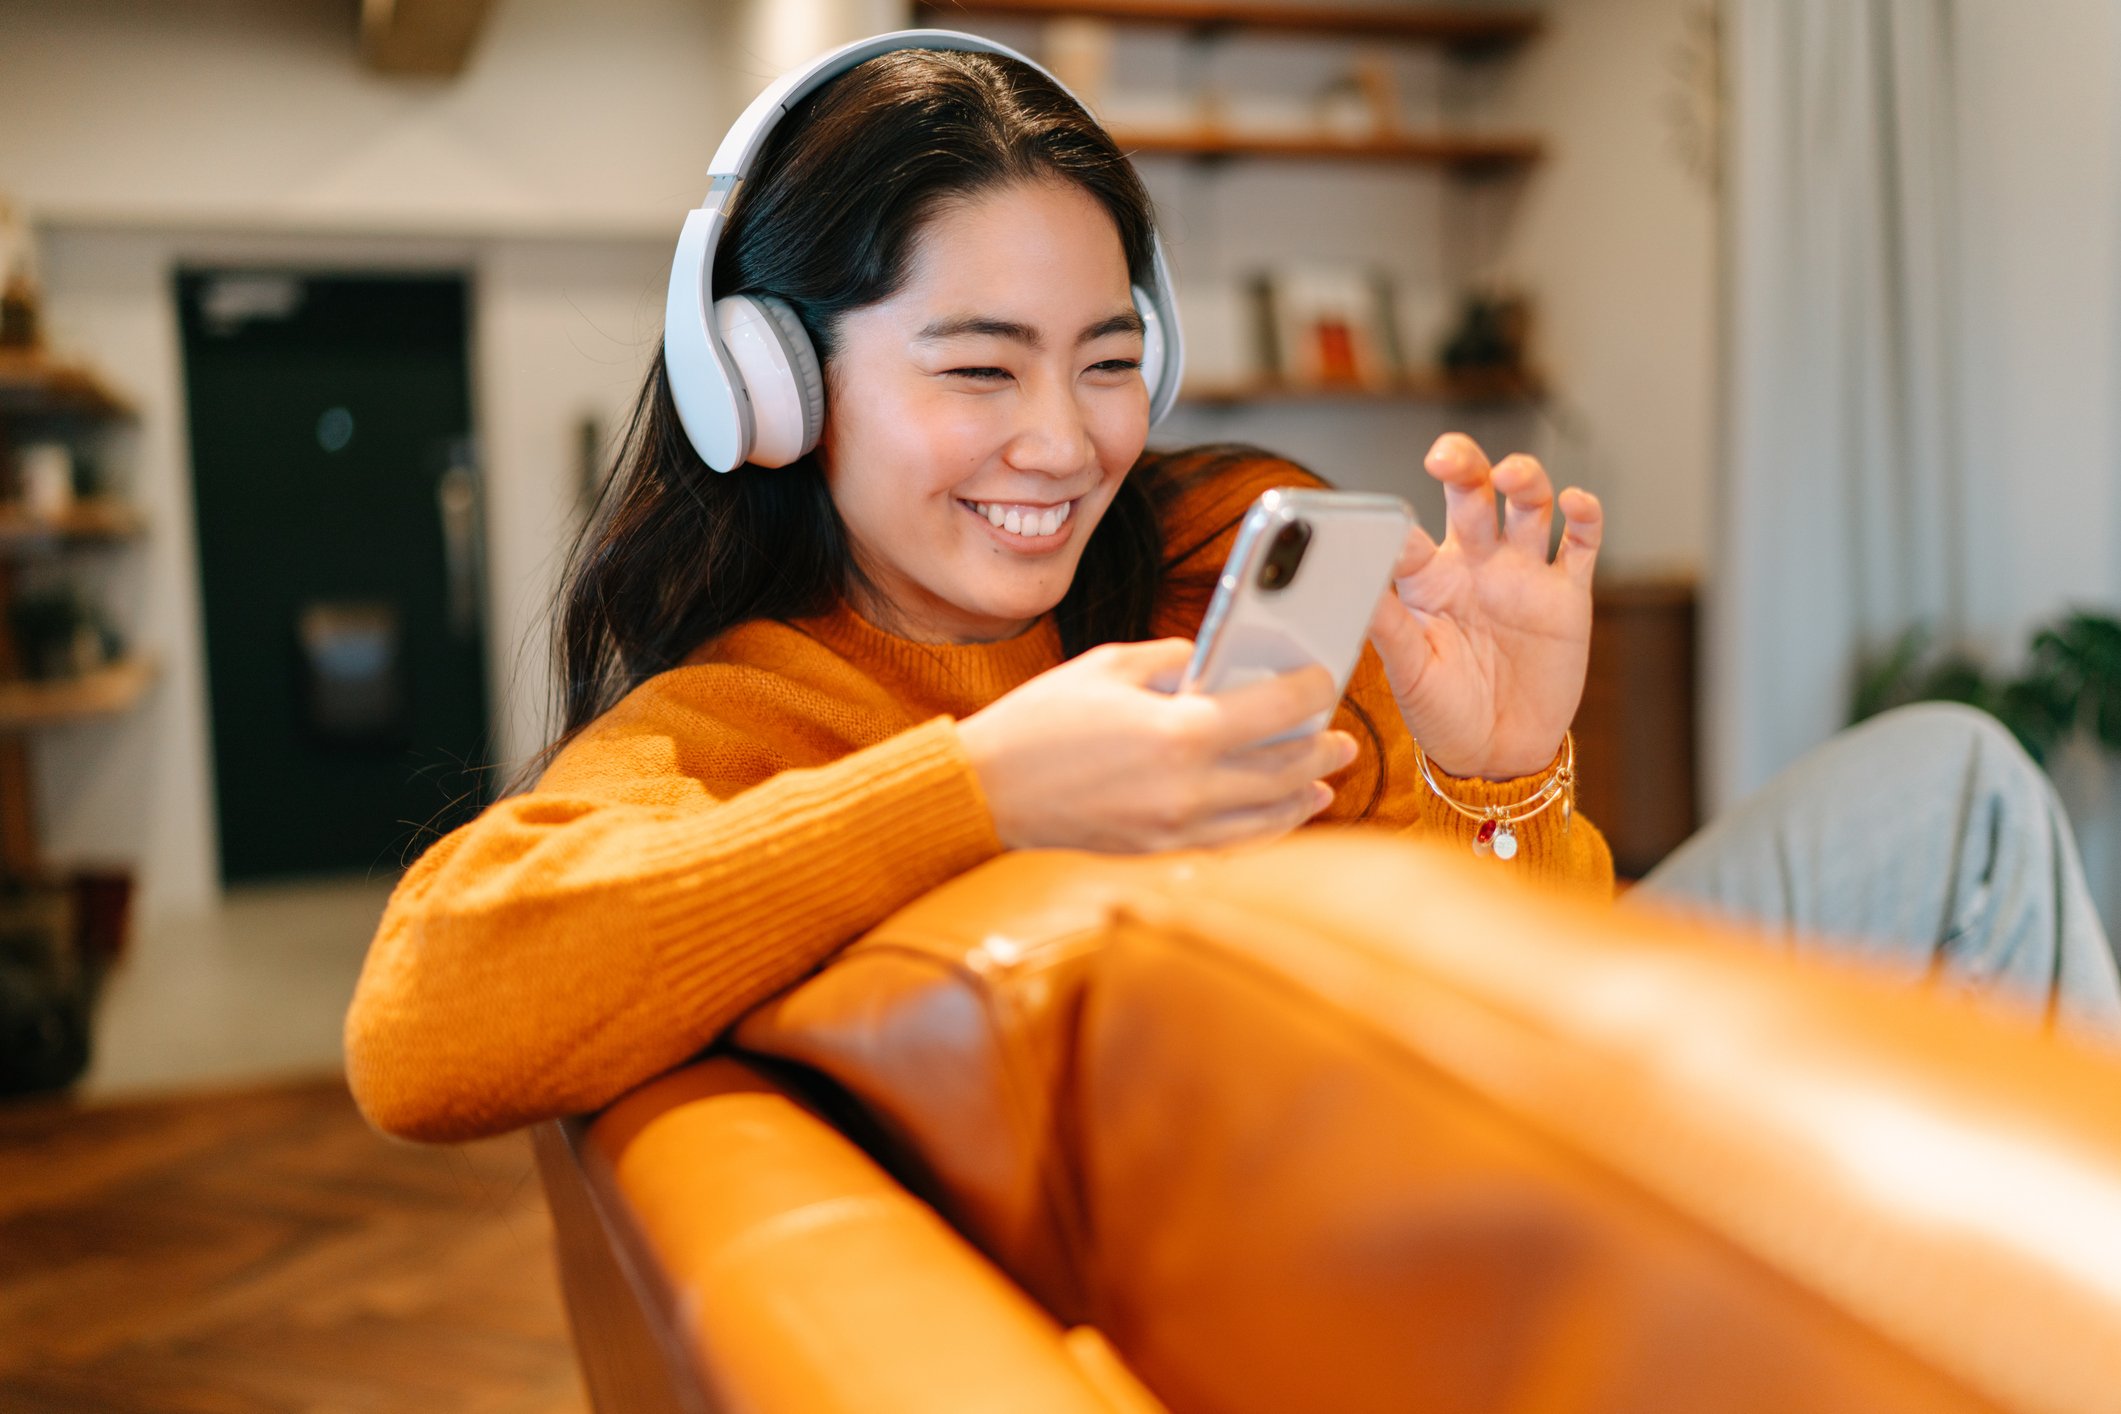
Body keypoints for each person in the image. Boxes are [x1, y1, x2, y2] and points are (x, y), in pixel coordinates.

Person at [345, 36, 2121, 1144]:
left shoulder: (1226, 536)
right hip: (1348, 1164)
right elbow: (421, 1020)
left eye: (1107, 358)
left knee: (1952, 783)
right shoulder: (751, 714)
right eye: (977, 368)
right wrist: (976, 792)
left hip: (1480, 1056)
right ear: (773, 386)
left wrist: (1499, 773)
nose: (1061, 440)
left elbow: (1524, 955)